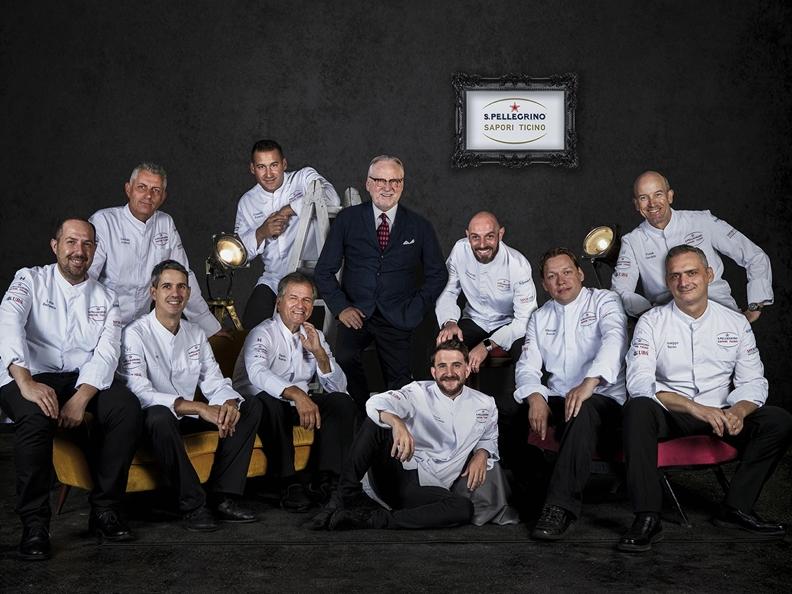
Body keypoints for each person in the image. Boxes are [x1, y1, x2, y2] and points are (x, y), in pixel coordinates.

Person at [619, 245, 792, 553]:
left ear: (708, 275)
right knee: (637, 409)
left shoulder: (735, 323)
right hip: (672, 412)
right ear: (667, 281)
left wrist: (739, 411)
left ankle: (736, 508)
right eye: (675, 275)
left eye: (691, 273)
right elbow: (640, 382)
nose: (683, 282)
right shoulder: (651, 322)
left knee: (778, 420)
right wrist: (693, 407)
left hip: (722, 413)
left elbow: (753, 381)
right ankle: (647, 516)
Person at [0, 218, 142, 560]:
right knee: (34, 418)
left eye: (87, 244)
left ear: (95, 250)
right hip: (28, 373)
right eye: (71, 242)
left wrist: (82, 397)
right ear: (55, 246)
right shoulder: (29, 280)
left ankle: (105, 509)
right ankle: (35, 525)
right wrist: (26, 383)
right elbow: (8, 323)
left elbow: (107, 352)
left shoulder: (107, 298)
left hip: (81, 378)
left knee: (126, 408)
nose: (79, 250)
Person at [118, 260, 261, 531]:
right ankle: (193, 504)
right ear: (153, 292)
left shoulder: (195, 333)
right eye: (167, 286)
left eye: (181, 287)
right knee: (159, 416)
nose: (175, 293)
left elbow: (214, 380)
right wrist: (200, 408)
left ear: (188, 292)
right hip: (153, 424)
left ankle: (223, 497)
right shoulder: (135, 333)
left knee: (249, 405)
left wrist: (228, 403)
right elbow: (140, 392)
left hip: (186, 418)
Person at [307, 340, 509, 531]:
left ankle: (374, 519)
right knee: (378, 422)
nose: (449, 373)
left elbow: (489, 437)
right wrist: (397, 423)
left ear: (467, 369)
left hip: (430, 488)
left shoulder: (486, 403)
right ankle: (344, 494)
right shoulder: (417, 391)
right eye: (442, 366)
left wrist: (482, 453)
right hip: (399, 473)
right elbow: (376, 403)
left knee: (462, 508)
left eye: (456, 365)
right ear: (433, 372)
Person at [314, 155, 447, 410]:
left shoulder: (419, 226)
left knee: (400, 383)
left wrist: (416, 308)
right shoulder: (348, 220)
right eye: (380, 181)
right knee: (344, 360)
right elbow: (323, 272)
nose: (387, 187)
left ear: (402, 185)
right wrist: (342, 308)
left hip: (399, 316)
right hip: (357, 314)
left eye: (394, 181)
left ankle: (391, 424)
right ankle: (366, 413)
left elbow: (438, 274)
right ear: (368, 183)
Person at [514, 248, 627, 540]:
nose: (561, 280)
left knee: (582, 409)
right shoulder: (540, 317)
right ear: (544, 284)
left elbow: (615, 341)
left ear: (580, 274)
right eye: (552, 276)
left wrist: (589, 383)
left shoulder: (605, 300)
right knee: (512, 417)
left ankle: (560, 507)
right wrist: (535, 396)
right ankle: (530, 497)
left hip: (604, 398)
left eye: (566, 272)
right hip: (560, 396)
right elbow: (527, 366)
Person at [233, 272, 356, 511]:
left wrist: (319, 353)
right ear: (279, 302)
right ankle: (288, 484)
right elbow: (257, 374)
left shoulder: (315, 335)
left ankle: (327, 481)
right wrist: (298, 395)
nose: (301, 305)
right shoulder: (262, 332)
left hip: (295, 407)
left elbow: (339, 387)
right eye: (294, 298)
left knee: (341, 403)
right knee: (271, 402)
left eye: (307, 300)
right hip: (257, 409)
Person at [611, 170, 773, 322]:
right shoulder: (632, 242)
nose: (652, 203)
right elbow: (620, 292)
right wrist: (651, 316)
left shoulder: (702, 221)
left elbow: (754, 256)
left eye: (658, 194)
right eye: (643, 198)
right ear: (636, 204)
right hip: (669, 323)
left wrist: (755, 304)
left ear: (670, 196)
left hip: (720, 312)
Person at [89, 162, 222, 337]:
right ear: (128, 189)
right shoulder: (104, 222)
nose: (148, 195)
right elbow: (86, 278)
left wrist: (209, 327)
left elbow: (184, 275)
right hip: (101, 325)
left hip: (141, 328)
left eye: (156, 190)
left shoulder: (165, 223)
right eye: (142, 187)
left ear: (163, 197)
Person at [234, 139, 341, 329]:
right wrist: (262, 232)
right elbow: (240, 253)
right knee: (252, 329)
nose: (268, 174)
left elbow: (331, 198)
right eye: (261, 167)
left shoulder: (303, 178)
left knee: (304, 336)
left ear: (284, 164)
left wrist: (289, 209)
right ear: (252, 168)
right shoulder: (247, 202)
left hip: (310, 278)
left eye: (274, 165)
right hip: (274, 279)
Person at [435, 210, 536, 371]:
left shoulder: (518, 265)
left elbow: (525, 320)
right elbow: (447, 291)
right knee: (444, 348)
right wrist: (449, 322)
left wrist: (487, 344)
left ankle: (519, 388)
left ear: (500, 234)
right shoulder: (460, 250)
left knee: (526, 352)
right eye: (475, 237)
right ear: (468, 235)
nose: (482, 244)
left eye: (489, 236)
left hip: (507, 324)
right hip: (474, 319)